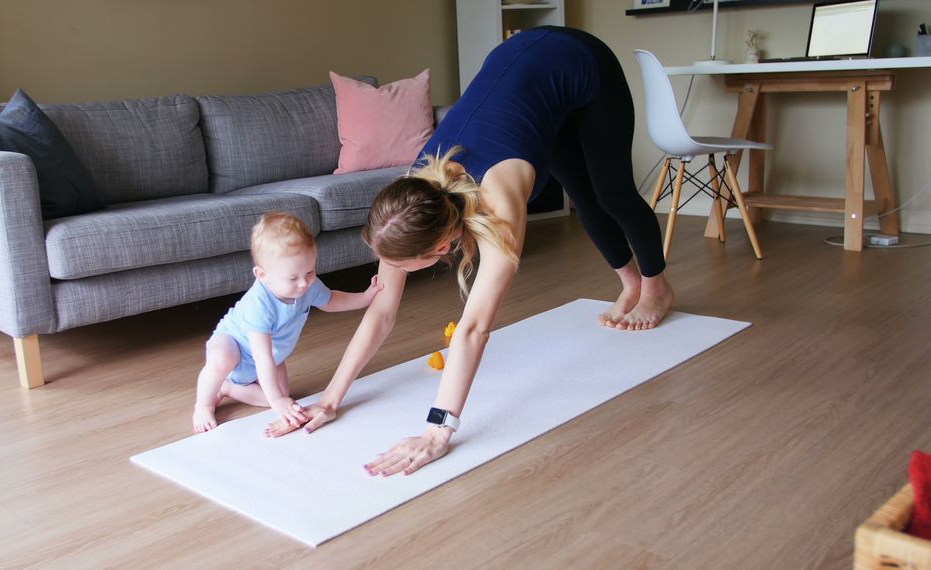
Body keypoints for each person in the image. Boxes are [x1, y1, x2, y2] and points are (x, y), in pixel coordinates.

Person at [266, 27, 676, 476]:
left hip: (579, 62)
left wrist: (436, 431)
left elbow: (474, 328)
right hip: (530, 79)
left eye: (402, 265)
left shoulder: (501, 201)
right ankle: (629, 283)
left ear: (441, 246)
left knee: (609, 194)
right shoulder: (408, 199)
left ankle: (655, 287)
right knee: (581, 188)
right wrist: (330, 399)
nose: (392, 271)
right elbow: (382, 312)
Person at [192, 212, 382, 432]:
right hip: (237, 346)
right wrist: (277, 402)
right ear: (262, 275)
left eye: (310, 271)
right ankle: (204, 404)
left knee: (284, 399)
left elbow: (331, 300)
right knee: (224, 359)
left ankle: (227, 388)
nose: (304, 283)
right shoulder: (259, 304)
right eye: (293, 278)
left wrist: (365, 297)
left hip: (272, 355)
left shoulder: (307, 284)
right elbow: (262, 357)